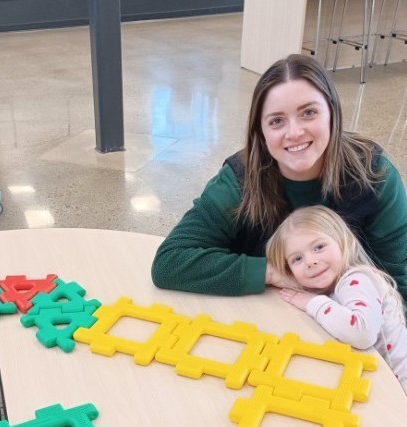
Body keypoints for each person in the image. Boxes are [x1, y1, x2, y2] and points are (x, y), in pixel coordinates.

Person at [151, 54, 407, 308]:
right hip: (268, 320)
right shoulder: (239, 180)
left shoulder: (374, 175)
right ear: (261, 133)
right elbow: (170, 262)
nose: (294, 133)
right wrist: (272, 273)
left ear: (332, 113)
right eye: (276, 121)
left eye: (308, 112)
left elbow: (400, 280)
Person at [265, 205, 407, 393]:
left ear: (344, 242)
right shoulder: (330, 285)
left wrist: (312, 303)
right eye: (297, 259)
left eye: (319, 247)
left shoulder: (357, 280)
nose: (310, 261)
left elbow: (362, 333)